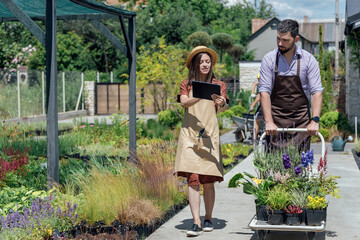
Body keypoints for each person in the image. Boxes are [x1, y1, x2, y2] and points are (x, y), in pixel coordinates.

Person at [175, 46, 229, 237]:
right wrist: (201, 94)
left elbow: (223, 107)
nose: (205, 64)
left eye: (207, 61)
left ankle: (208, 217)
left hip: (209, 136)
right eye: (201, 62)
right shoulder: (187, 85)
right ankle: (196, 222)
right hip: (190, 135)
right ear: (194, 65)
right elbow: (183, 102)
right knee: (193, 179)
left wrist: (221, 102)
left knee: (208, 180)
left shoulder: (219, 84)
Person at [258, 19, 323, 150]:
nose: (280, 43)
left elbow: (316, 91)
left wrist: (315, 121)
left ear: (296, 39)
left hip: (301, 124)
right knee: (275, 168)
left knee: (299, 168)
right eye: (278, 39)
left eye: (285, 40)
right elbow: (264, 91)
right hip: (275, 124)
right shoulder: (269, 59)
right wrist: (269, 122)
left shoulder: (309, 60)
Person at [250, 73, 262, 139]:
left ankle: (254, 139)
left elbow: (259, 97)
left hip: (263, 107)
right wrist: (252, 92)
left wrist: (253, 105)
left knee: (256, 122)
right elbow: (255, 84)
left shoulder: (261, 85)